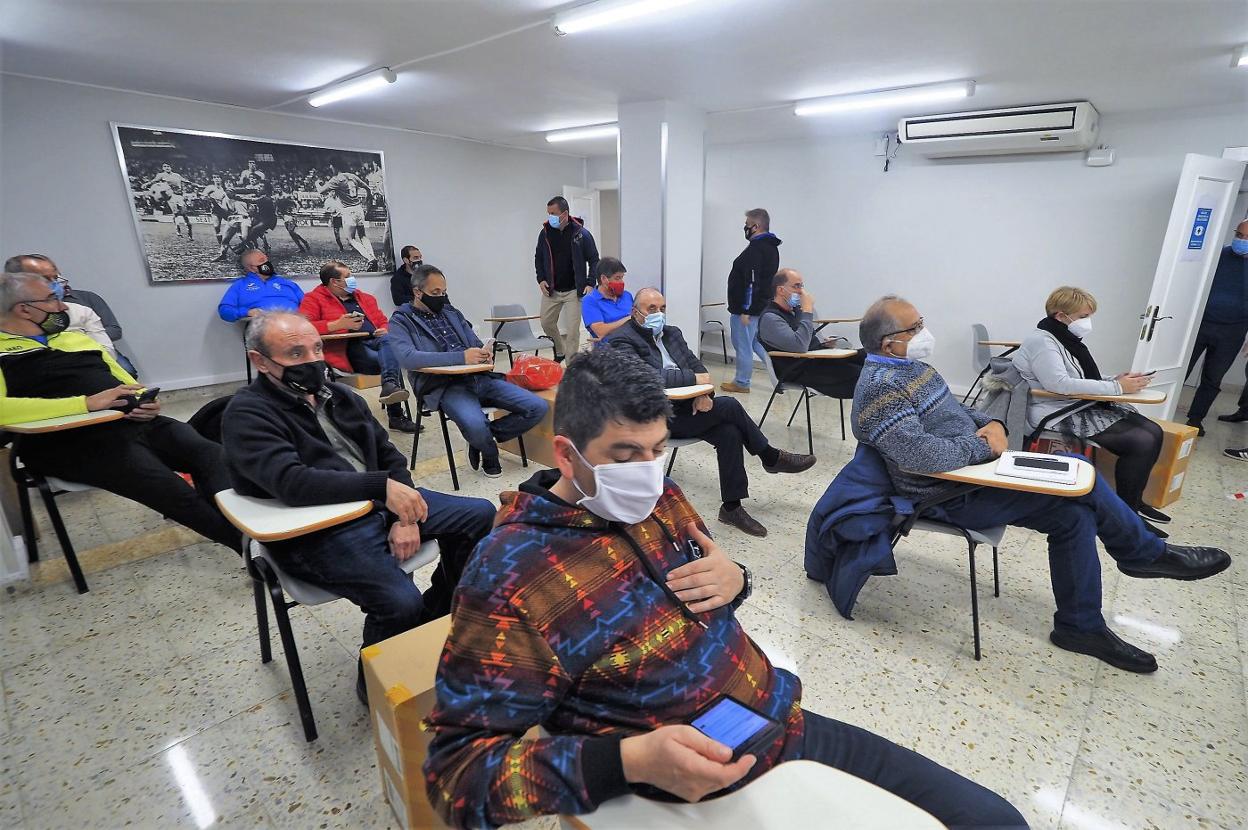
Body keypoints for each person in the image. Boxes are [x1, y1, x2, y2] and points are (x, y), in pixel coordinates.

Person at [422, 347, 1026, 830]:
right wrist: (627, 763)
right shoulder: (512, 576)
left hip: (775, 719)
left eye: (658, 451)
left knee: (995, 820)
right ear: (567, 452)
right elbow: (458, 779)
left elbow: (706, 591)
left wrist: (738, 581)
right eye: (624, 454)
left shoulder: (662, 497)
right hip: (689, 785)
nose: (646, 471)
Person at [852, 295, 1230, 673]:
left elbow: (956, 411)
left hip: (973, 473)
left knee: (1074, 505)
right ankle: (1140, 557)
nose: (924, 331)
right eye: (916, 327)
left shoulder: (913, 368)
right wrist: (983, 445)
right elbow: (920, 456)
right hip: (945, 492)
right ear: (890, 343)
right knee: (1079, 487)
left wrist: (994, 424)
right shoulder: (881, 388)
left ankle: (1082, 625)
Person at [221, 311, 495, 703]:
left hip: (376, 504)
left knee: (480, 515)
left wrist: (403, 513)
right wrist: (382, 489)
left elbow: (388, 454)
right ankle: (377, 687)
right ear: (260, 361)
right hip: (314, 529)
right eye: (295, 353)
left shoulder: (341, 396)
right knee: (399, 601)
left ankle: (432, 622)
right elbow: (292, 482)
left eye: (317, 348)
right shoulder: (247, 414)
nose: (313, 360)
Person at [0, 271, 240, 553]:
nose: (64, 306)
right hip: (70, 442)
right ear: (24, 309)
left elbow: (128, 384)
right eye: (53, 299)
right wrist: (86, 403)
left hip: (133, 423)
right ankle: (254, 550)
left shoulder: (76, 340)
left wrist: (146, 402)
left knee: (214, 455)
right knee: (169, 490)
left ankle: (248, 533)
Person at [604, 287, 816, 537]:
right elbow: (646, 378)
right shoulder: (622, 339)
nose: (658, 314)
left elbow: (698, 366)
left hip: (686, 406)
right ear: (634, 311)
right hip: (654, 417)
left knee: (729, 432)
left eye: (662, 309)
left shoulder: (672, 333)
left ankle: (732, 507)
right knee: (730, 406)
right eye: (652, 309)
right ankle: (770, 456)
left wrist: (703, 393)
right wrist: (695, 380)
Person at [1013, 286, 1169, 534]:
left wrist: (1114, 379)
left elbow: (1080, 376)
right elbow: (1059, 384)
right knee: (1139, 441)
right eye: (1083, 317)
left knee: (1153, 431)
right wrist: (1117, 387)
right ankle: (1127, 517)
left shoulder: (1064, 338)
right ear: (1060, 316)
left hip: (1075, 402)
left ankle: (1134, 503)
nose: (1087, 322)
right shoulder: (1042, 341)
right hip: (1053, 409)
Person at [388, 265, 548, 478]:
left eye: (444, 292)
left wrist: (483, 353)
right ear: (418, 292)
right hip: (444, 385)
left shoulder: (451, 312)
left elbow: (472, 341)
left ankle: (482, 439)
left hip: (479, 377)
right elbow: (407, 358)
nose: (442, 297)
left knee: (537, 407)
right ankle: (489, 452)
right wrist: (461, 357)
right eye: (435, 293)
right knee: (475, 426)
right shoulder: (401, 320)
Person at [298, 261, 418, 433]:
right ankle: (395, 412)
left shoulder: (365, 297)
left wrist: (384, 329)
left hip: (378, 342)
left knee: (390, 344)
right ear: (334, 282)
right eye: (347, 277)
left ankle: (390, 390)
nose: (352, 279)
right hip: (347, 347)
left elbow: (383, 321)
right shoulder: (313, 299)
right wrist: (336, 324)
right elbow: (303, 328)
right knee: (392, 360)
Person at [757, 268, 865, 397]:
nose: (802, 292)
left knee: (869, 356)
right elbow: (800, 346)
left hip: (817, 360)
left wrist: (823, 344)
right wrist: (807, 310)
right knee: (864, 376)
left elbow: (807, 340)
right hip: (800, 370)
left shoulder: (795, 311)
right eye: (796, 286)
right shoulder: (770, 318)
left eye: (802, 286)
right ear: (780, 290)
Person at [1186, 219, 1248, 433]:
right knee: (1181, 369)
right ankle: (1163, 409)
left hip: (1233, 330)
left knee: (1213, 377)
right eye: (1239, 235)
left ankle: (1195, 419)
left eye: (1247, 237)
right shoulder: (1219, 255)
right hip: (1201, 323)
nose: (1241, 240)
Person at [4, 254, 117, 357]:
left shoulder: (80, 312)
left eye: (55, 277)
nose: (55, 284)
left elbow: (108, 354)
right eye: (44, 279)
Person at [721, 209, 781, 394]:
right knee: (754, 343)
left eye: (747, 224)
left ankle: (742, 382)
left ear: (756, 226)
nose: (745, 228)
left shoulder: (757, 249)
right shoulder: (771, 247)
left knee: (743, 345)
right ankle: (779, 377)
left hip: (747, 309)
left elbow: (751, 281)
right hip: (759, 305)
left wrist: (746, 309)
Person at [534, 195, 600, 362]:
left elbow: (594, 259)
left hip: (574, 291)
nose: (550, 217)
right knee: (546, 323)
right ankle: (560, 350)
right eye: (548, 213)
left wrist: (590, 282)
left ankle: (571, 365)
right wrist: (541, 279)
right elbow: (538, 258)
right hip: (552, 289)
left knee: (572, 331)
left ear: (564, 214)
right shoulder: (545, 234)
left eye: (553, 213)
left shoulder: (581, 234)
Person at [318, 164, 377, 271]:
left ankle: (370, 259)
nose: (330, 168)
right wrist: (369, 196)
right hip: (359, 208)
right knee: (363, 236)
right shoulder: (353, 176)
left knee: (351, 239)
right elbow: (367, 188)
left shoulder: (335, 180)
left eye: (331, 166)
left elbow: (321, 191)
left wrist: (317, 183)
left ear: (335, 167)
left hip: (348, 210)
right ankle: (373, 257)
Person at [216, 250, 303, 322]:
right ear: (251, 268)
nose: (267, 262)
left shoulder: (288, 283)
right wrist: (247, 312)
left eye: (267, 259)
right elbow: (225, 310)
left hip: (295, 324)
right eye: (262, 260)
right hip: (262, 328)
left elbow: (308, 303)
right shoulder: (240, 286)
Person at [579, 257, 633, 339]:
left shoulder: (627, 296)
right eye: (617, 278)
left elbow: (640, 321)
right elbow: (601, 331)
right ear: (604, 278)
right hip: (610, 349)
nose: (622, 282)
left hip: (633, 344)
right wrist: (630, 319)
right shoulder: (590, 301)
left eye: (622, 277)